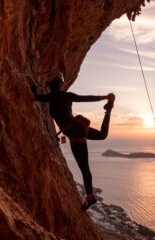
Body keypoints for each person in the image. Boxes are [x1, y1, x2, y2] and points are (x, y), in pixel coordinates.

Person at [31, 73, 115, 210]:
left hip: (75, 133)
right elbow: (85, 98)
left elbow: (36, 97)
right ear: (60, 84)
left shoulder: (51, 96)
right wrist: (105, 97)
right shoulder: (67, 95)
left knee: (84, 168)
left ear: (50, 85)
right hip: (79, 127)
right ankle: (108, 110)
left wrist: (32, 85)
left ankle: (90, 197)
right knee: (102, 135)